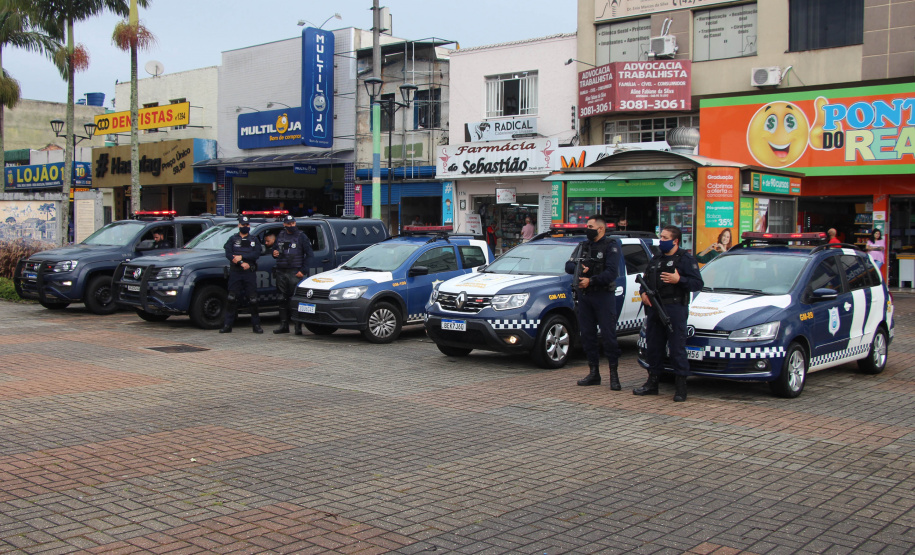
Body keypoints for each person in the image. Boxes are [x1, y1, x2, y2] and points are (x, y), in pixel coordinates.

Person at [634, 225, 704, 402]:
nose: (661, 241)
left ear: (676, 241)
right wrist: (643, 293)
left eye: (665, 238)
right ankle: (652, 383)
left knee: (676, 349)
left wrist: (679, 280)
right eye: (661, 237)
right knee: (654, 347)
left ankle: (680, 387)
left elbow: (697, 284)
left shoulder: (685, 259)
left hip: (674, 309)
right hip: (654, 308)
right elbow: (645, 280)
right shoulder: (656, 259)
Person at [565, 215, 622, 390]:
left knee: (608, 336)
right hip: (585, 296)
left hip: (603, 296)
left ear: (601, 229)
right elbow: (568, 265)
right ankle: (593, 373)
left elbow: (612, 273)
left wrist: (592, 279)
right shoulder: (583, 246)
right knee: (588, 336)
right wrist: (580, 268)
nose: (587, 228)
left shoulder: (611, 246)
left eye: (590, 226)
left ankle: (614, 375)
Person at [221, 215, 263, 334]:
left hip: (249, 272)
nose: (245, 227)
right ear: (239, 225)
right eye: (243, 225)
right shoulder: (232, 239)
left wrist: (243, 258)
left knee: (253, 300)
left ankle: (256, 326)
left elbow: (256, 254)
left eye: (247, 225)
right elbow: (228, 253)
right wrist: (240, 262)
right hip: (236, 272)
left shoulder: (254, 240)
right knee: (231, 298)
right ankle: (227, 325)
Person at [273, 215, 314, 335]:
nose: (291, 226)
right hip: (281, 270)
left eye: (293, 223)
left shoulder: (301, 236)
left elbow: (310, 254)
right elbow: (275, 250)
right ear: (284, 225)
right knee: (281, 299)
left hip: (295, 271)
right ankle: (284, 325)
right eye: (289, 224)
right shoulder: (280, 235)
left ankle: (297, 327)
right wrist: (274, 253)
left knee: (294, 300)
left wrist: (303, 270)